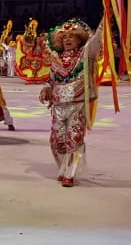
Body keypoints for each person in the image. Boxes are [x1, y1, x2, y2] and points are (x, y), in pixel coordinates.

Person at [41, 19, 103, 187]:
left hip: (78, 104)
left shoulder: (85, 55)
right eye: (64, 37)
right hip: (58, 105)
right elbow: (51, 80)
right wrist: (46, 89)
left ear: (79, 40)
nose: (67, 40)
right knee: (56, 140)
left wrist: (106, 20)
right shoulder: (56, 60)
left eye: (71, 37)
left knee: (74, 139)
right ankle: (63, 168)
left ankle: (70, 173)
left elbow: (98, 38)